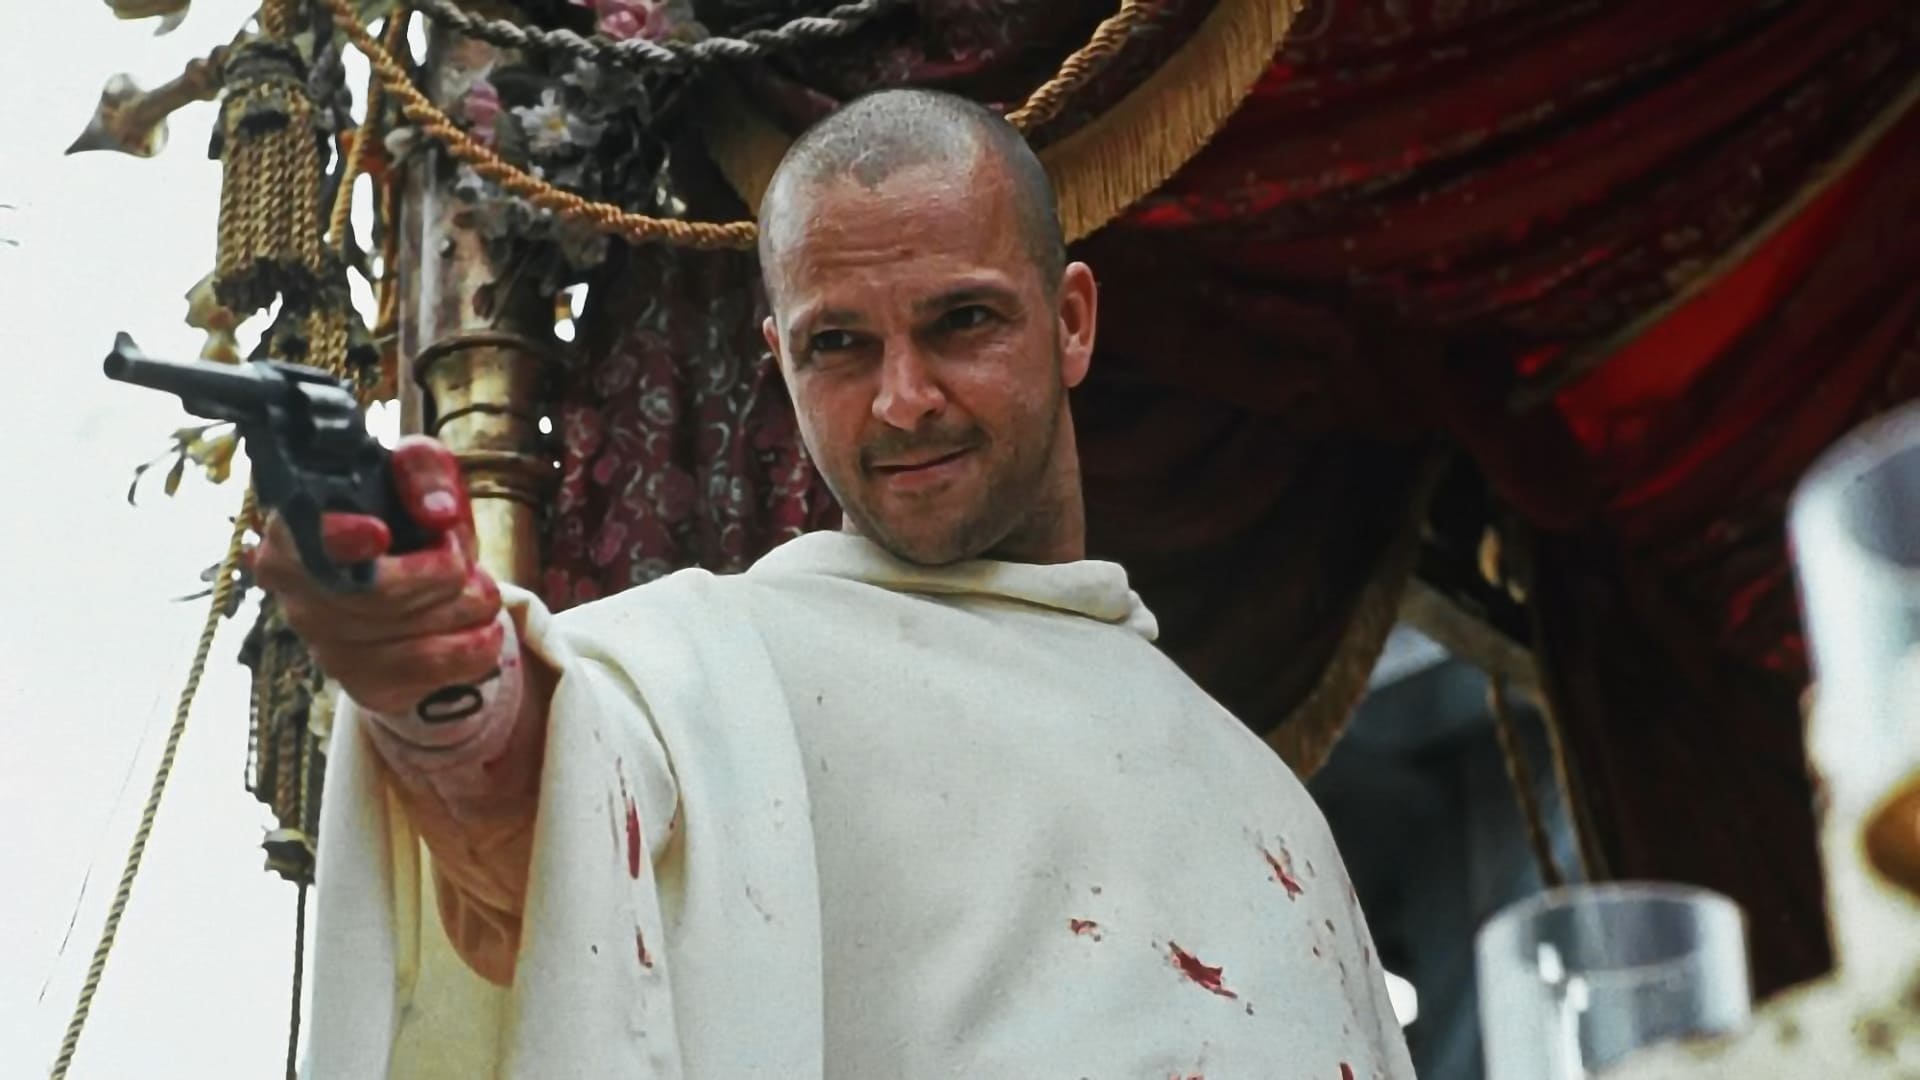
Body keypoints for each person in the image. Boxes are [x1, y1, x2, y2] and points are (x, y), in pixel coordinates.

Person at [261, 88, 1415, 1079]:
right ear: (781, 362)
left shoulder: (1263, 795)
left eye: (962, 321)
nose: (904, 400)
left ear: (1071, 324)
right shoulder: (707, 672)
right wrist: (436, 687)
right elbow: (545, 816)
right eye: (840, 346)